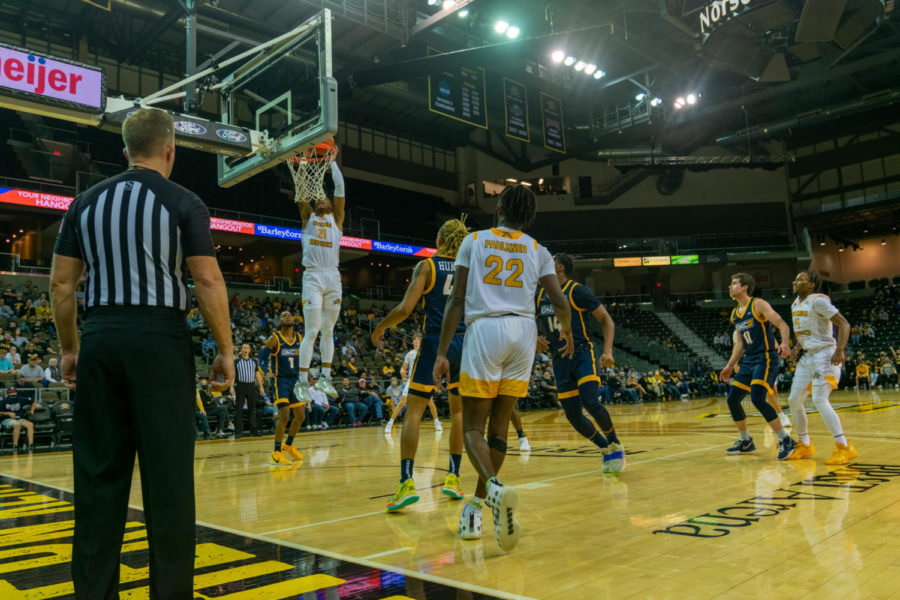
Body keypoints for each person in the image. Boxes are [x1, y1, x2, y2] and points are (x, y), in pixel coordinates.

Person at [50, 107, 234, 599]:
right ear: (170, 148)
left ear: (125, 149)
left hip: (103, 337)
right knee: (169, 482)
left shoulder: (84, 203)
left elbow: (61, 284)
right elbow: (207, 278)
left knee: (96, 479)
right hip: (160, 340)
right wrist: (226, 350)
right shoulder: (185, 201)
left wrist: (72, 348)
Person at [434, 184, 574, 552]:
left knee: (472, 427)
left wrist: (442, 352)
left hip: (486, 330)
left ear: (499, 208)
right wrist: (566, 332)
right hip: (524, 333)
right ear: (528, 217)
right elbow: (560, 302)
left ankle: (494, 489)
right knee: (500, 429)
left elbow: (457, 300)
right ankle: (477, 508)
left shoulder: (475, 240)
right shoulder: (539, 250)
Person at [371, 217, 471, 511]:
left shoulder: (427, 265)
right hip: (465, 342)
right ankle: (453, 478)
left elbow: (405, 308)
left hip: (435, 342)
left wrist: (380, 327)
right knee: (459, 412)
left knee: (413, 412)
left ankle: (406, 483)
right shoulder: (470, 268)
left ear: (439, 240)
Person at [535, 253, 625, 471]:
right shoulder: (540, 296)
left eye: (551, 262)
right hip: (560, 360)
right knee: (573, 415)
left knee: (590, 401)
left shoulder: (577, 291)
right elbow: (533, 323)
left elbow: (606, 320)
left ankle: (614, 442)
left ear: (560, 268)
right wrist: (535, 337)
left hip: (583, 353)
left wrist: (608, 351)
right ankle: (604, 447)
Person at [719, 273, 796, 460]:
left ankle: (786, 440)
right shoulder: (735, 313)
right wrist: (730, 365)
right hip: (749, 360)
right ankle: (746, 441)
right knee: (733, 398)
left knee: (757, 398)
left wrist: (785, 343)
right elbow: (740, 343)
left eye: (734, 283)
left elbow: (781, 323)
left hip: (766, 358)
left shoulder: (758, 304)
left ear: (745, 287)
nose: (730, 286)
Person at [784, 271, 856, 464]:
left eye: (800, 279)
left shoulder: (819, 301)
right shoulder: (795, 303)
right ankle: (805, 444)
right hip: (808, 356)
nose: (795, 281)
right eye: (796, 278)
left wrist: (840, 349)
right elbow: (806, 332)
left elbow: (844, 324)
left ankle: (844, 447)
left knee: (819, 399)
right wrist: (796, 348)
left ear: (811, 285)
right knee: (794, 400)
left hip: (825, 353)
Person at [294, 151, 346, 403]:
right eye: (318, 199)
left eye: (324, 198)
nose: (320, 200)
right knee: (312, 330)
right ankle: (302, 382)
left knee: (328, 330)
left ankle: (325, 377)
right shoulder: (308, 218)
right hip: (313, 277)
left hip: (333, 278)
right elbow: (302, 191)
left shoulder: (337, 220)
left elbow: (340, 186)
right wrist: (304, 166)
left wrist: (332, 161)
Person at [258, 311, 306, 464]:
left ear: (294, 320)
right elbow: (261, 360)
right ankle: (276, 452)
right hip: (281, 381)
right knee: (285, 415)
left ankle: (288, 445)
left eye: (290, 315)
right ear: (279, 322)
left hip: (296, 380)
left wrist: (308, 376)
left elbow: (305, 359)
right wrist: (266, 372)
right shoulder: (275, 339)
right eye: (284, 316)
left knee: (300, 416)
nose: (287, 316)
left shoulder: (300, 338)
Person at [384, 335, 443, 432]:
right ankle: (390, 423)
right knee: (402, 401)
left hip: (424, 380)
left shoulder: (427, 353)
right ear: (412, 342)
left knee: (430, 402)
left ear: (421, 342)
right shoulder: (409, 354)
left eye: (418, 340)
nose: (416, 341)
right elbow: (403, 368)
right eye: (414, 340)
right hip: (412, 380)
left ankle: (436, 422)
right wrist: (403, 375)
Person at [233, 343, 265, 437]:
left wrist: (261, 387)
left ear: (250, 350)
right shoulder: (236, 361)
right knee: (239, 409)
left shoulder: (254, 361)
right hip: (240, 386)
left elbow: (257, 374)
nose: (245, 349)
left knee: (252, 409)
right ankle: (238, 431)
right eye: (243, 348)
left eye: (247, 348)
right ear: (241, 350)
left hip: (251, 386)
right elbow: (233, 375)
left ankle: (253, 430)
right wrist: (231, 387)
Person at [0, 386, 35, 451]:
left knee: (30, 425)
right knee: (17, 425)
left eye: (14, 392)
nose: (13, 394)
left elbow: (33, 402)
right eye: (11, 393)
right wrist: (7, 413)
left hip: (19, 418)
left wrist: (32, 410)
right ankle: (15, 445)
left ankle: (31, 444)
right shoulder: (3, 401)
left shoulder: (20, 399)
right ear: (7, 394)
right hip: (7, 419)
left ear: (16, 393)